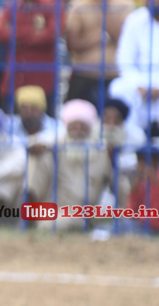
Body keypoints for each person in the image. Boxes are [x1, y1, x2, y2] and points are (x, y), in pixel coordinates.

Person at [64, 0, 136, 107]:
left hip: (116, 77)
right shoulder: (78, 5)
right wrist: (97, 39)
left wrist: (104, 6)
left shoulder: (125, 3)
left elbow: (125, 39)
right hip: (84, 76)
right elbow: (72, 45)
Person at [29, 99, 111, 231]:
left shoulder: (101, 151)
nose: (78, 130)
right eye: (73, 125)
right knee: (38, 156)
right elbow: (35, 142)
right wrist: (34, 148)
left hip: (83, 213)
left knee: (52, 225)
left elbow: (119, 183)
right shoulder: (55, 144)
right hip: (55, 209)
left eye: (83, 125)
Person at [0, 0, 63, 116]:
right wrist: (33, 32)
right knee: (11, 124)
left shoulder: (54, 5)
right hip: (13, 82)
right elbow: (0, 33)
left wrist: (16, 34)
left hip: (42, 82)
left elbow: (50, 35)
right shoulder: (10, 7)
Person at [110, 0, 159, 137]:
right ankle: (133, 144)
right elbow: (125, 59)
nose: (155, 0)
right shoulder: (135, 20)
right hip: (140, 84)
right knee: (118, 88)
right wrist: (140, 85)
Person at [101, 97, 146, 207]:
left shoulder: (136, 136)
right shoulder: (94, 135)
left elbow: (137, 163)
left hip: (126, 179)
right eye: (107, 118)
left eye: (116, 119)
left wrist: (114, 158)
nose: (111, 124)